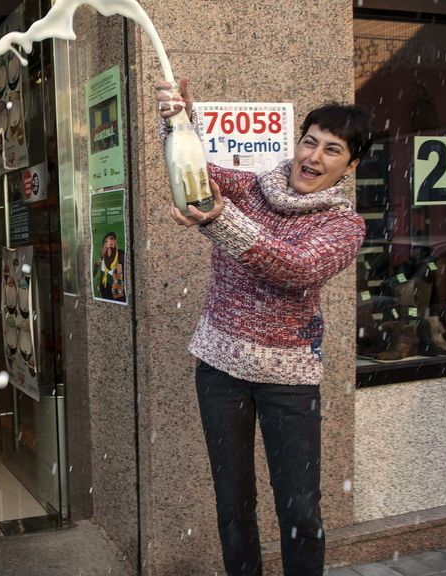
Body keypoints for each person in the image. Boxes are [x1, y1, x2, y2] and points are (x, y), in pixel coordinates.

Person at [155, 79, 373, 576]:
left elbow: (294, 267)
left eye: (332, 149)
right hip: (218, 370)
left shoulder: (344, 225)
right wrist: (175, 120)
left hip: (290, 383)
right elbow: (190, 169)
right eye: (310, 141)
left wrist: (218, 221)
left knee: (299, 511)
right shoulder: (251, 187)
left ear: (351, 165)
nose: (314, 156)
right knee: (234, 507)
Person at [96, 231, 125, 301]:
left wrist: (120, 272)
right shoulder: (103, 256)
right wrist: (97, 265)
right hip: (104, 292)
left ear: (115, 241)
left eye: (111, 239)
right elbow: (98, 273)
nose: (109, 242)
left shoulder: (121, 254)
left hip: (117, 294)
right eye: (106, 241)